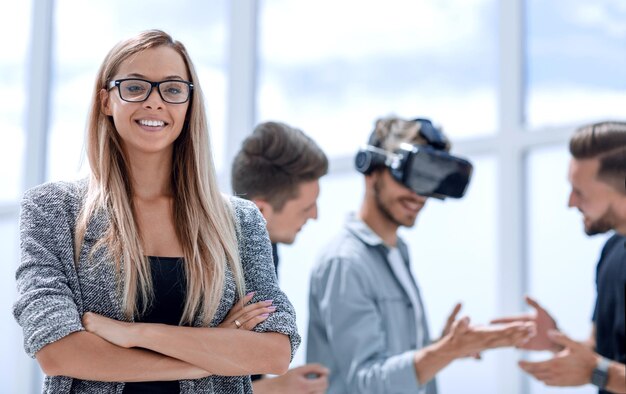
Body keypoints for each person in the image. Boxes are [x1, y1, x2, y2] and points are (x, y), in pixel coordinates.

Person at [12, 30, 299, 394]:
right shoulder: (53, 209)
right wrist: (213, 353)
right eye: (134, 87)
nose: (154, 102)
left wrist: (135, 335)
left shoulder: (240, 221)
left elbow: (275, 351)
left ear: (188, 103)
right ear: (105, 101)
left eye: (173, 89)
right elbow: (58, 352)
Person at [306, 116, 535, 393]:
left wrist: (442, 347)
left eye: (429, 181)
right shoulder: (345, 263)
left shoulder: (396, 254)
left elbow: (394, 366)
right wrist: (446, 351)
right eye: (411, 175)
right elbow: (367, 382)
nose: (419, 195)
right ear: (371, 170)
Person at [493, 121, 626, 394]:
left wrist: (598, 373)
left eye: (581, 192)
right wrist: (557, 342)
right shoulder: (612, 250)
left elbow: (601, 368)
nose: (571, 202)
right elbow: (601, 351)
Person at [221, 121, 330, 393]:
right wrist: (278, 388)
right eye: (306, 207)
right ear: (260, 211)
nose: (315, 215)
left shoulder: (269, 249)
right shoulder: (219, 274)